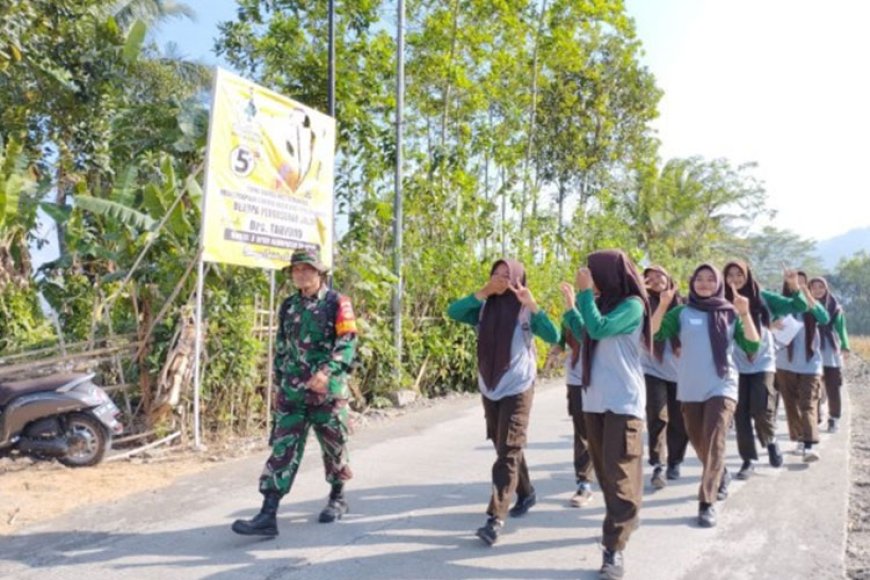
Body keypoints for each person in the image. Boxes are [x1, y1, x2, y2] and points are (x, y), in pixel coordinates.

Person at [232, 248, 357, 536]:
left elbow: (347, 341)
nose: (300, 274)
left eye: (307, 269)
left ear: (319, 272)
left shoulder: (338, 302)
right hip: (293, 391)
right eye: (296, 269)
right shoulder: (288, 305)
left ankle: (337, 497)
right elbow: (282, 346)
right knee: (283, 447)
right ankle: (268, 513)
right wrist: (279, 382)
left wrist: (327, 372)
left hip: (327, 390)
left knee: (333, 444)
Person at [446, 259, 560, 547]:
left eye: (507, 276)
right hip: (490, 382)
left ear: (520, 279)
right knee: (503, 444)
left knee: (509, 448)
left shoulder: (524, 309)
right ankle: (527, 491)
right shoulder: (483, 306)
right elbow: (453, 312)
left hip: (518, 384)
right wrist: (482, 292)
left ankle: (495, 518)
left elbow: (554, 335)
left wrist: (533, 305)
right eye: (495, 275)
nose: (500, 280)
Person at [652, 264, 760, 528]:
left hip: (722, 386)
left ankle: (706, 502)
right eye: (699, 278)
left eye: (711, 279)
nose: (704, 283)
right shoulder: (681, 312)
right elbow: (654, 333)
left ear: (719, 283)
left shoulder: (731, 312)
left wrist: (745, 314)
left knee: (713, 440)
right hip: (689, 388)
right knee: (700, 442)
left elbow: (752, 345)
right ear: (691, 282)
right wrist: (663, 305)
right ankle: (720, 472)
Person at [565, 250, 650, 580]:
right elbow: (584, 331)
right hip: (594, 401)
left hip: (622, 402)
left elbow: (599, 331)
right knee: (604, 472)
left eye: (593, 272)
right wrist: (573, 305)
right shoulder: (597, 304)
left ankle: (613, 550)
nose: (588, 276)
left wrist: (585, 294)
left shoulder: (632, 305)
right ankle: (626, 515)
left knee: (619, 475)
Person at [723, 262, 807, 479]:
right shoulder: (721, 301)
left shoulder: (764, 297)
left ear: (747, 275)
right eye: (730, 275)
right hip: (735, 362)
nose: (734, 279)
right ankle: (748, 460)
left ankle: (770, 441)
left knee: (761, 408)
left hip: (763, 361)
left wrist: (793, 285)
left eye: (739, 274)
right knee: (740, 413)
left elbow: (799, 306)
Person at [641, 266, 689, 488]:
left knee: (679, 420)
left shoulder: (686, 305)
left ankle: (675, 461)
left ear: (669, 277)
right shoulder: (640, 304)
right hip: (652, 369)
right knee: (657, 416)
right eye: (648, 277)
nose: (654, 279)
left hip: (681, 372)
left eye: (659, 275)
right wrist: (639, 290)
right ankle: (658, 465)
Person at [775, 271, 830, 462]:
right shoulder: (780, 304)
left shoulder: (812, 305)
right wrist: (773, 324)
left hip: (810, 363)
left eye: (801, 282)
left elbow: (824, 319)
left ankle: (809, 444)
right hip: (784, 363)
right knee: (791, 405)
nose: (796, 284)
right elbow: (764, 324)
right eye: (792, 281)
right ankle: (800, 438)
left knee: (807, 404)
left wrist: (808, 297)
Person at [553, 282, 595, 508]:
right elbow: (563, 338)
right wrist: (556, 350)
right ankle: (584, 483)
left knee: (604, 432)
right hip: (577, 379)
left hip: (604, 380)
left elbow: (592, 334)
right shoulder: (572, 309)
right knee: (582, 432)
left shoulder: (614, 305)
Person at [808, 277, 850, 433]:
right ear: (809, 289)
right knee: (812, 387)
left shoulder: (835, 307)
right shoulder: (806, 306)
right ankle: (816, 417)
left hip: (831, 352)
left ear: (826, 289)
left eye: (821, 287)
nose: (818, 290)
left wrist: (845, 346)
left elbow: (841, 329)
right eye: (814, 287)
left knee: (833, 387)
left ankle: (834, 418)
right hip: (811, 350)